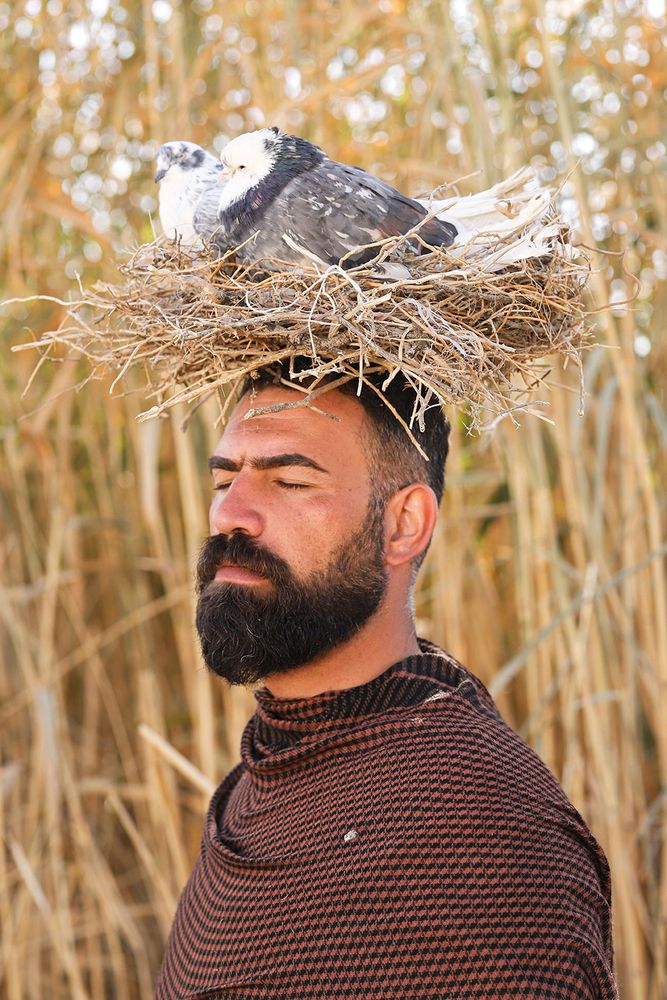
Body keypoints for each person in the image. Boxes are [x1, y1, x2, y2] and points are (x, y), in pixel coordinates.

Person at [155, 362, 617, 999]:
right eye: (224, 479)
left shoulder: (483, 833)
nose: (231, 514)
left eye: (290, 481)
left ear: (403, 524)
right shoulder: (252, 789)